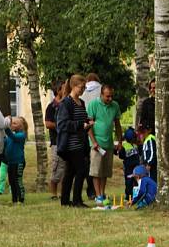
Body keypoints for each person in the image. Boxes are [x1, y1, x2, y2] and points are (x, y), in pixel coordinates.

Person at [56, 74, 94, 207]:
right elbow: (62, 124)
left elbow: (80, 119)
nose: (82, 90)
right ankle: (77, 200)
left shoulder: (81, 102)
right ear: (73, 86)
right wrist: (80, 125)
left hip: (80, 143)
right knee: (81, 170)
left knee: (70, 172)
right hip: (71, 144)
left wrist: (87, 122)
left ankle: (65, 200)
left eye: (84, 88)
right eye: (80, 87)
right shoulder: (66, 103)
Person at [87, 84, 122, 204]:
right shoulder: (93, 105)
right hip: (96, 144)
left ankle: (102, 193)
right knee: (96, 171)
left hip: (109, 143)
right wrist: (94, 142)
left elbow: (117, 125)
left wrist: (120, 141)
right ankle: (98, 195)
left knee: (105, 171)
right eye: (107, 96)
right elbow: (89, 125)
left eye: (111, 96)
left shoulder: (115, 106)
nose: (110, 99)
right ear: (101, 95)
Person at [44, 80, 67, 200]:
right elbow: (48, 123)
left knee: (65, 168)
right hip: (57, 142)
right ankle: (53, 193)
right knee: (56, 167)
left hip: (67, 141)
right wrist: (61, 125)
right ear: (58, 91)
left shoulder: (67, 105)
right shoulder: (51, 107)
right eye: (65, 89)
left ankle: (64, 193)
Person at [3, 116, 27, 204]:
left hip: (19, 162)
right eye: (11, 123)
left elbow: (13, 136)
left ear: (21, 126)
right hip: (10, 162)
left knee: (17, 180)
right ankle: (14, 200)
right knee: (11, 181)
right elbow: (4, 142)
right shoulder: (9, 137)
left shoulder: (21, 135)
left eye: (14, 123)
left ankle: (21, 199)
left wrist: (5, 127)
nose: (12, 124)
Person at [118, 127, 142, 200]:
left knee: (136, 182)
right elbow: (121, 156)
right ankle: (128, 196)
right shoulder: (124, 146)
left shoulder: (136, 145)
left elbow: (140, 152)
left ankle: (136, 195)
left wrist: (140, 143)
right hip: (128, 168)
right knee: (129, 182)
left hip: (136, 167)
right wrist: (120, 148)